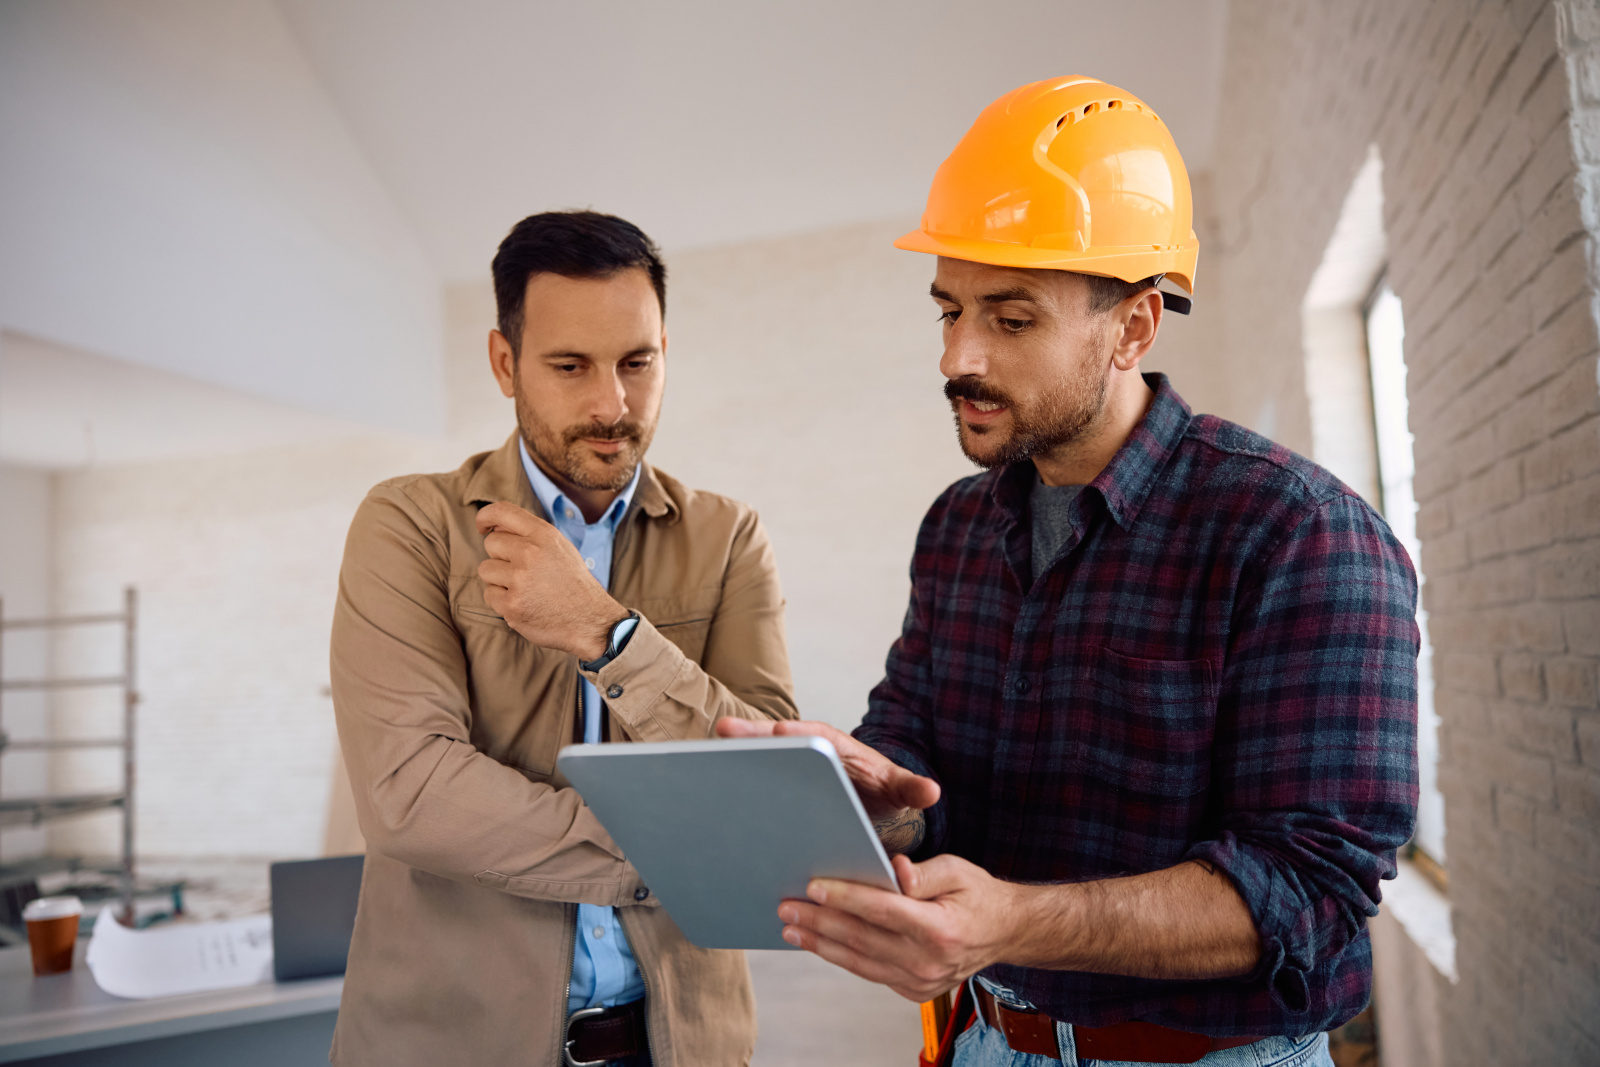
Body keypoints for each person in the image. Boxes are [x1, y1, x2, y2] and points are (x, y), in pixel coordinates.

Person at [719, 77, 1418, 1066]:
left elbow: (1307, 887)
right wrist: (871, 792)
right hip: (983, 1038)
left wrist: (1018, 921)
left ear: (1132, 327)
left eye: (1009, 319)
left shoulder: (1295, 533)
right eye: (948, 310)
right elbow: (915, 735)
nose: (958, 355)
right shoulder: (958, 525)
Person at [331, 210, 796, 1066]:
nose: (610, 404)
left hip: (683, 1047)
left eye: (637, 362)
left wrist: (608, 632)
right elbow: (409, 793)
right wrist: (675, 850)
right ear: (505, 363)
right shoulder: (409, 524)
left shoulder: (730, 537)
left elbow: (765, 783)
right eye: (570, 365)